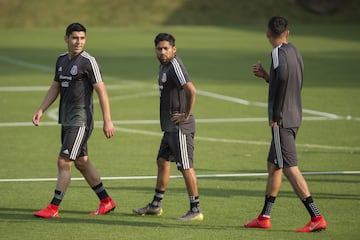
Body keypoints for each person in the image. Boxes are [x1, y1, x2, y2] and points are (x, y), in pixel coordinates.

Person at [244, 16, 327, 232]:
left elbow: (281, 80)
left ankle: (316, 217)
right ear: (287, 33)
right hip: (294, 115)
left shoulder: (276, 53)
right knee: (274, 166)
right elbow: (290, 81)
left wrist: (276, 116)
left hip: (282, 120)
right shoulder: (295, 51)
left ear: (267, 34)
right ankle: (264, 217)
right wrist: (267, 76)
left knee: (289, 168)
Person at [32, 22, 116, 218]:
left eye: (82, 38)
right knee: (81, 162)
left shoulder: (89, 61)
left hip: (81, 119)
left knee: (64, 161)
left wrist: (108, 120)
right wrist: (41, 109)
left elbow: (101, 91)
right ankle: (106, 201)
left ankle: (53, 207)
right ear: (66, 39)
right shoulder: (61, 60)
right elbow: (55, 86)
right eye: (75, 38)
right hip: (66, 118)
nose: (79, 42)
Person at [132, 33, 203, 221]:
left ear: (174, 49)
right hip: (169, 128)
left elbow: (191, 90)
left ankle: (195, 209)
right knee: (162, 161)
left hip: (180, 127)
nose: (162, 52)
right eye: (159, 49)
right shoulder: (164, 66)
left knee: (186, 167)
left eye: (166, 48)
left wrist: (186, 115)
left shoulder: (175, 66)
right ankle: (155, 205)